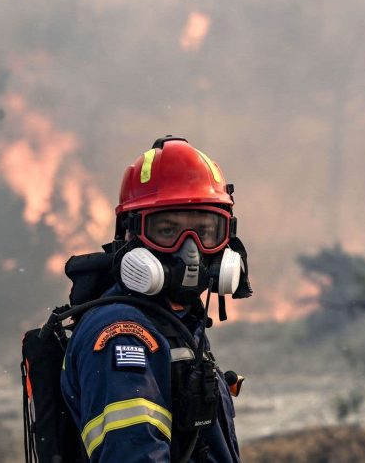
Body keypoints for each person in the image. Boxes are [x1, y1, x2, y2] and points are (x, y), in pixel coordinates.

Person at [60, 136, 252, 463]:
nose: (190, 251)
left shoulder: (174, 323)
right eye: (167, 231)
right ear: (129, 235)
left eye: (205, 232)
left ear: (227, 238)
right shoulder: (123, 335)